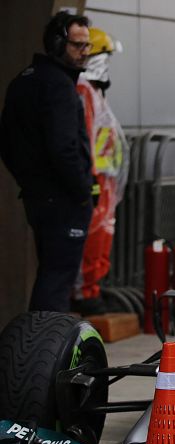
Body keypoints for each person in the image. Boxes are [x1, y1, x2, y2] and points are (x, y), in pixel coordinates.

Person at [0, 12, 93, 312]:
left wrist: (29, 181)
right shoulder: (59, 86)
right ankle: (46, 341)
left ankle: (37, 338)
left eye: (87, 45)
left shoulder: (23, 81)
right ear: (57, 44)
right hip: (63, 200)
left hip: (37, 197)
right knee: (57, 280)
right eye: (78, 45)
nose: (85, 52)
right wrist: (82, 192)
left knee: (50, 274)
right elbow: (63, 148)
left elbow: (7, 144)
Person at [71, 27, 129, 315]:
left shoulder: (93, 92)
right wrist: (93, 179)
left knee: (101, 239)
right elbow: (85, 136)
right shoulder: (83, 90)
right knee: (92, 241)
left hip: (104, 180)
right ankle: (84, 294)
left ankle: (91, 290)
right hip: (95, 179)